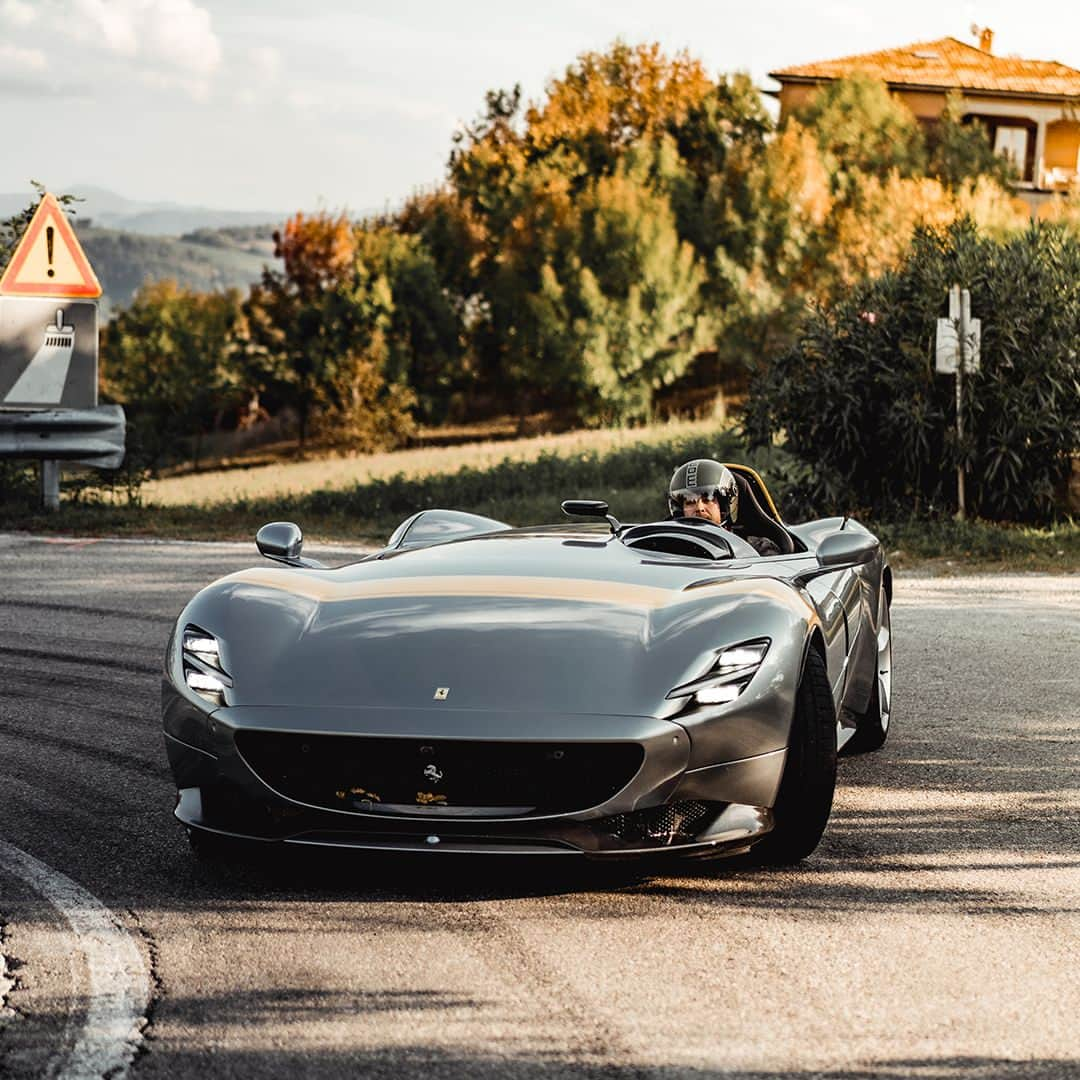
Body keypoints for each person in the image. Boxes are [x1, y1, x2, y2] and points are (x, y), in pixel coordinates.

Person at [667, 459, 781, 556]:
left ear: (724, 506)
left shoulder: (758, 550)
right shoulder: (667, 551)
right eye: (690, 502)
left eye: (708, 499)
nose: (699, 508)